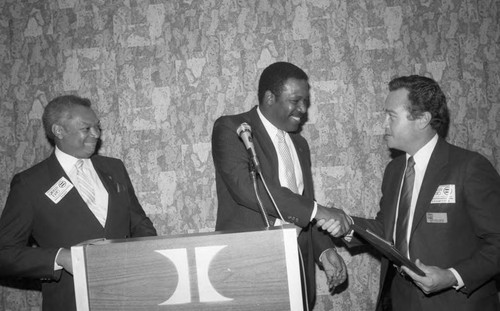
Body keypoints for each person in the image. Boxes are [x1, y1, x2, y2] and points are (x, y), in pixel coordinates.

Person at [320, 75, 500, 310]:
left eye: (391, 116)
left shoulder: (469, 167)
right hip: (401, 301)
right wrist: (347, 224)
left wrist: (452, 276)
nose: (383, 124)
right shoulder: (395, 170)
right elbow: (386, 230)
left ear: (422, 119)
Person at [211, 61, 349, 310]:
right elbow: (246, 188)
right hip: (250, 268)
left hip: (298, 266)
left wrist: (324, 251)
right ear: (269, 97)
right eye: (295, 100)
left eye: (305, 101)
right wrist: (319, 210)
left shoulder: (300, 145)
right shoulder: (232, 128)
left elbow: (301, 206)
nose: (303, 109)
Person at [0, 95, 157, 311]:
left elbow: (139, 223)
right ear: (59, 131)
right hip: (71, 302)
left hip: (130, 298)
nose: (96, 134)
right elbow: (4, 253)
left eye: (97, 127)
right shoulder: (30, 184)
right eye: (86, 128)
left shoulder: (114, 168)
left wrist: (147, 261)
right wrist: (60, 257)